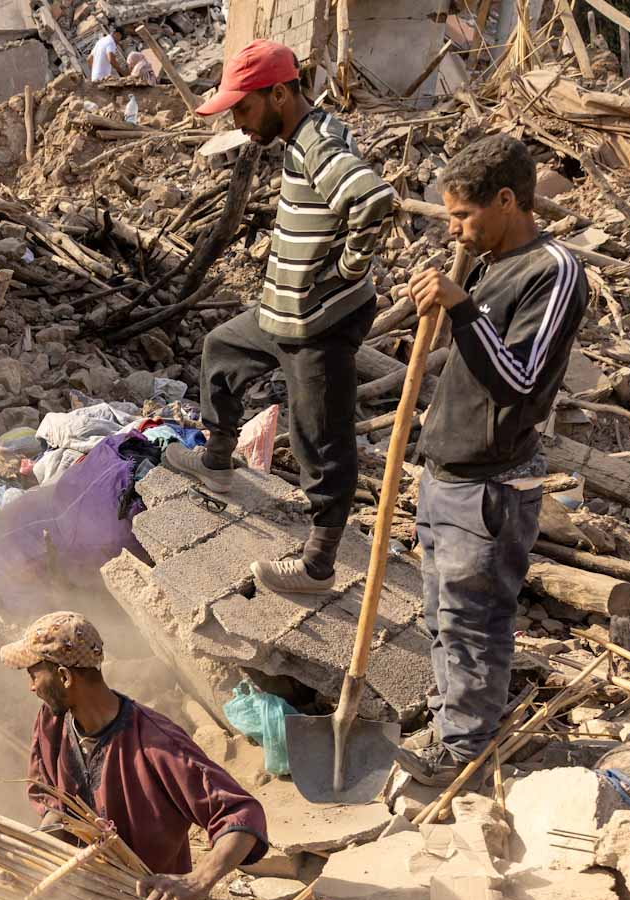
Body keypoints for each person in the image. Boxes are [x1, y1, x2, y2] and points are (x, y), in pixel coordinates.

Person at [165, 40, 396, 595]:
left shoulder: (317, 142)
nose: (239, 123)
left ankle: (318, 565)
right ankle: (218, 460)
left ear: (280, 93)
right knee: (221, 349)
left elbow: (373, 200)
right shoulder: (297, 139)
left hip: (318, 321)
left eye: (243, 109)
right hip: (282, 312)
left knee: (320, 435)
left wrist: (345, 267)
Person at [392, 134, 587, 785]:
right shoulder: (485, 260)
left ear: (507, 200)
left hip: (490, 488)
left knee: (473, 623)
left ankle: (464, 757)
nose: (452, 228)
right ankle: (452, 720)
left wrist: (462, 307)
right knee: (439, 617)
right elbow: (471, 358)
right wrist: (447, 302)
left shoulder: (553, 271)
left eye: (463, 216)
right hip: (444, 474)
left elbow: (522, 379)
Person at [1, 612, 270, 900]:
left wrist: (197, 882)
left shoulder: (158, 744)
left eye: (34, 674)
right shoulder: (53, 720)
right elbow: (53, 801)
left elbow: (241, 815)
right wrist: (36, 852)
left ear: (64, 677)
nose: (31, 687)